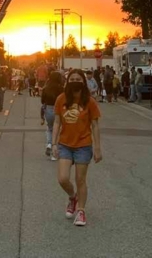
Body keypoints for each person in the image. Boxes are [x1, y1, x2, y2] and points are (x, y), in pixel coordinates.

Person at [53, 69, 102, 227]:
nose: (75, 81)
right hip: (65, 144)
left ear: (83, 82)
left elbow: (95, 125)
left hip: (83, 145)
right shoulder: (61, 99)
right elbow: (57, 122)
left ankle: (81, 211)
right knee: (63, 178)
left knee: (80, 180)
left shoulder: (90, 101)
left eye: (78, 79)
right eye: (72, 78)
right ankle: (72, 197)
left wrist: (97, 148)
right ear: (68, 81)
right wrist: (53, 143)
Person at [42, 71, 64, 161]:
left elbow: (42, 101)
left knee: (50, 128)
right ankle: (55, 153)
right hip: (60, 110)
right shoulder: (61, 89)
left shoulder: (46, 88)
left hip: (49, 110)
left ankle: (49, 144)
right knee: (59, 130)